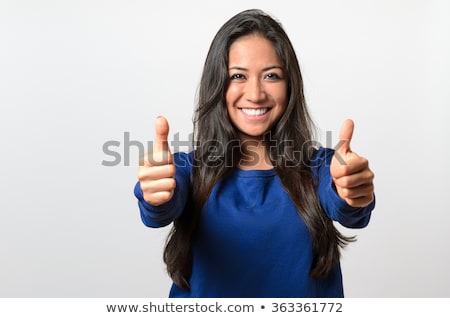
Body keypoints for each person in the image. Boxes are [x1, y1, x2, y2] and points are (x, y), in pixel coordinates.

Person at [134, 9, 375, 297]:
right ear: (217, 85)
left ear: (290, 86)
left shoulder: (320, 166)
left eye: (271, 76)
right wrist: (155, 194)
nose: (256, 93)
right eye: (238, 76)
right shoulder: (188, 169)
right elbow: (161, 208)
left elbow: (346, 206)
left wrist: (352, 190)